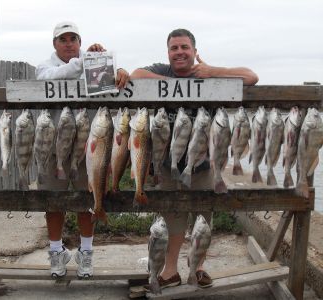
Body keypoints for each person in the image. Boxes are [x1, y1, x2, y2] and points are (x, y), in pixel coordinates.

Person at [131, 28, 258, 289]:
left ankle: (198, 267)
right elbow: (135, 75)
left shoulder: (208, 74)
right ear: (168, 53)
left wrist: (212, 73)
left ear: (194, 51)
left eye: (184, 47)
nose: (179, 52)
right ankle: (170, 271)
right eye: (174, 48)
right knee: (171, 217)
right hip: (167, 164)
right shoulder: (161, 71)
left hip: (202, 163)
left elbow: (251, 77)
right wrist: (174, 83)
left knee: (203, 218)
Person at [36, 21, 129, 278]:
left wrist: (115, 67)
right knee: (53, 203)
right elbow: (48, 78)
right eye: (63, 39)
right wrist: (83, 60)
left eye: (73, 39)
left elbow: (116, 82)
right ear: (54, 44)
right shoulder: (46, 67)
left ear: (79, 42)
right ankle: (57, 253)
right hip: (53, 149)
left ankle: (85, 253)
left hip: (89, 147)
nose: (68, 44)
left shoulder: (91, 67)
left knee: (86, 200)